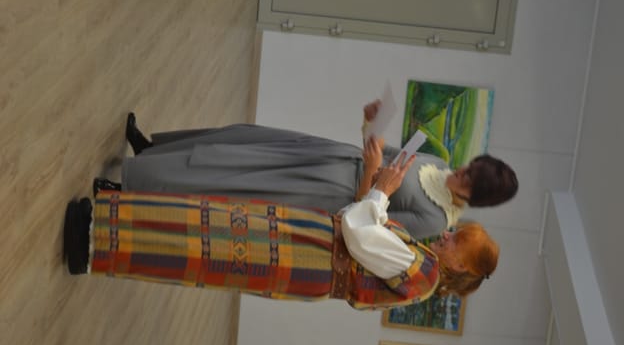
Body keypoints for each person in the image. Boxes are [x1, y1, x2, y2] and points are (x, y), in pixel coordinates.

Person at [67, 156, 498, 310]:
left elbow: (360, 235)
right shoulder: (423, 264)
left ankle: (92, 244)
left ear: (461, 266)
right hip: (303, 249)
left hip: (305, 257)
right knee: (203, 228)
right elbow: (364, 228)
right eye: (455, 234)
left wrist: (382, 191)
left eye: (457, 242)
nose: (447, 236)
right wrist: (377, 196)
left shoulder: (424, 272)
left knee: (199, 247)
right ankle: (100, 227)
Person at [99, 102, 518, 240]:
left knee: (228, 180)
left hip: (320, 192)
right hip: (327, 156)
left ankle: (128, 189)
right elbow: (382, 150)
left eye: (468, 179)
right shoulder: (438, 164)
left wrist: (372, 175)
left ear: (473, 197)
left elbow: (365, 226)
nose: (459, 172)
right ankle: (153, 150)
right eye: (469, 166)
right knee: (240, 142)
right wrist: (371, 125)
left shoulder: (434, 220)